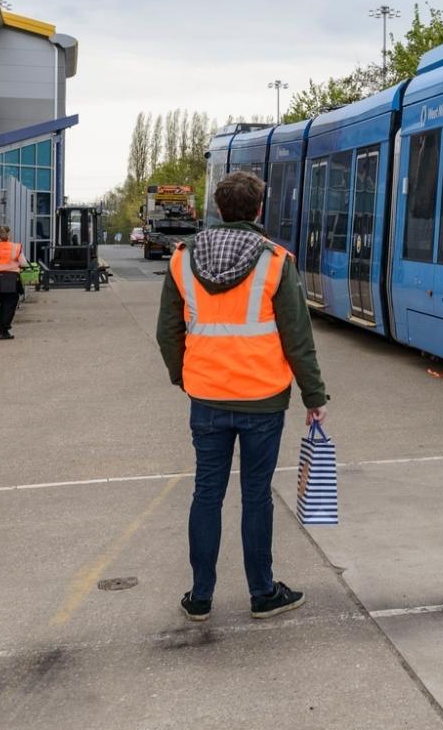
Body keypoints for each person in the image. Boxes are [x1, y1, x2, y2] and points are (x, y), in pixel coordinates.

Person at [158, 171, 328, 623]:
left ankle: (200, 597)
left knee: (206, 494)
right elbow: (297, 338)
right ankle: (262, 592)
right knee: (256, 496)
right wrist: (314, 394)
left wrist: (184, 376)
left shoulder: (182, 259)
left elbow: (167, 332)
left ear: (218, 209)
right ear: (257, 211)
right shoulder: (275, 261)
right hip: (263, 401)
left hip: (207, 398)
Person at [0, 226, 29, 340]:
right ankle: (4, 329)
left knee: (2, 304)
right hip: (11, 279)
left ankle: (1, 330)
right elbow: (24, 263)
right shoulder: (15, 247)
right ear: (9, 234)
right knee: (10, 305)